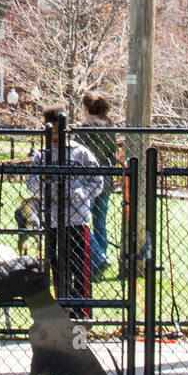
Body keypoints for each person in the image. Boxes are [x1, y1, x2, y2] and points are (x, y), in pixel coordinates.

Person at [26, 104, 103, 300]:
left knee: (80, 269)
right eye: (50, 130)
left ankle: (82, 315)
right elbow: (31, 187)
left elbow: (97, 183)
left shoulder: (81, 154)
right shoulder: (41, 157)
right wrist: (44, 180)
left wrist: (76, 193)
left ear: (65, 129)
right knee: (58, 269)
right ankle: (63, 309)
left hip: (77, 221)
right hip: (52, 221)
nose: (54, 136)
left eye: (58, 131)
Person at [78, 90, 116, 279]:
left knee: (83, 221)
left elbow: (78, 152)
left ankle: (97, 258)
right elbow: (112, 153)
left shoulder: (85, 127)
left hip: (87, 181)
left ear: (86, 107)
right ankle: (103, 256)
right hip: (107, 179)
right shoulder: (110, 126)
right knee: (100, 222)